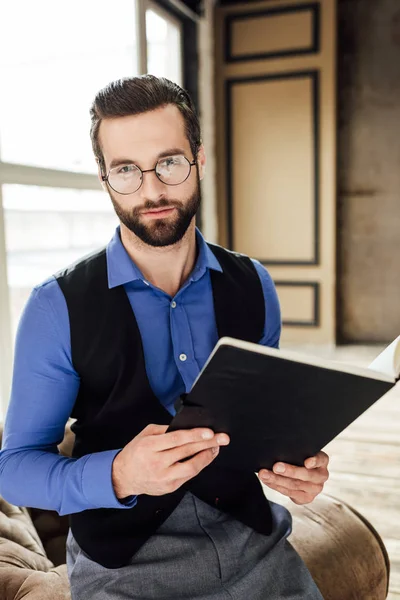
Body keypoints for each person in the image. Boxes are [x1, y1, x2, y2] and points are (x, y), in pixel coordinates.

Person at [0, 75, 329, 599]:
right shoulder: (53, 307)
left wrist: (298, 466)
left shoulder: (255, 285)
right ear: (105, 178)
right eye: (126, 170)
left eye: (169, 163)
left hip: (254, 545)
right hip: (122, 569)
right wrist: (119, 475)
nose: (151, 191)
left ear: (199, 158)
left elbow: (264, 423)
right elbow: (12, 469)